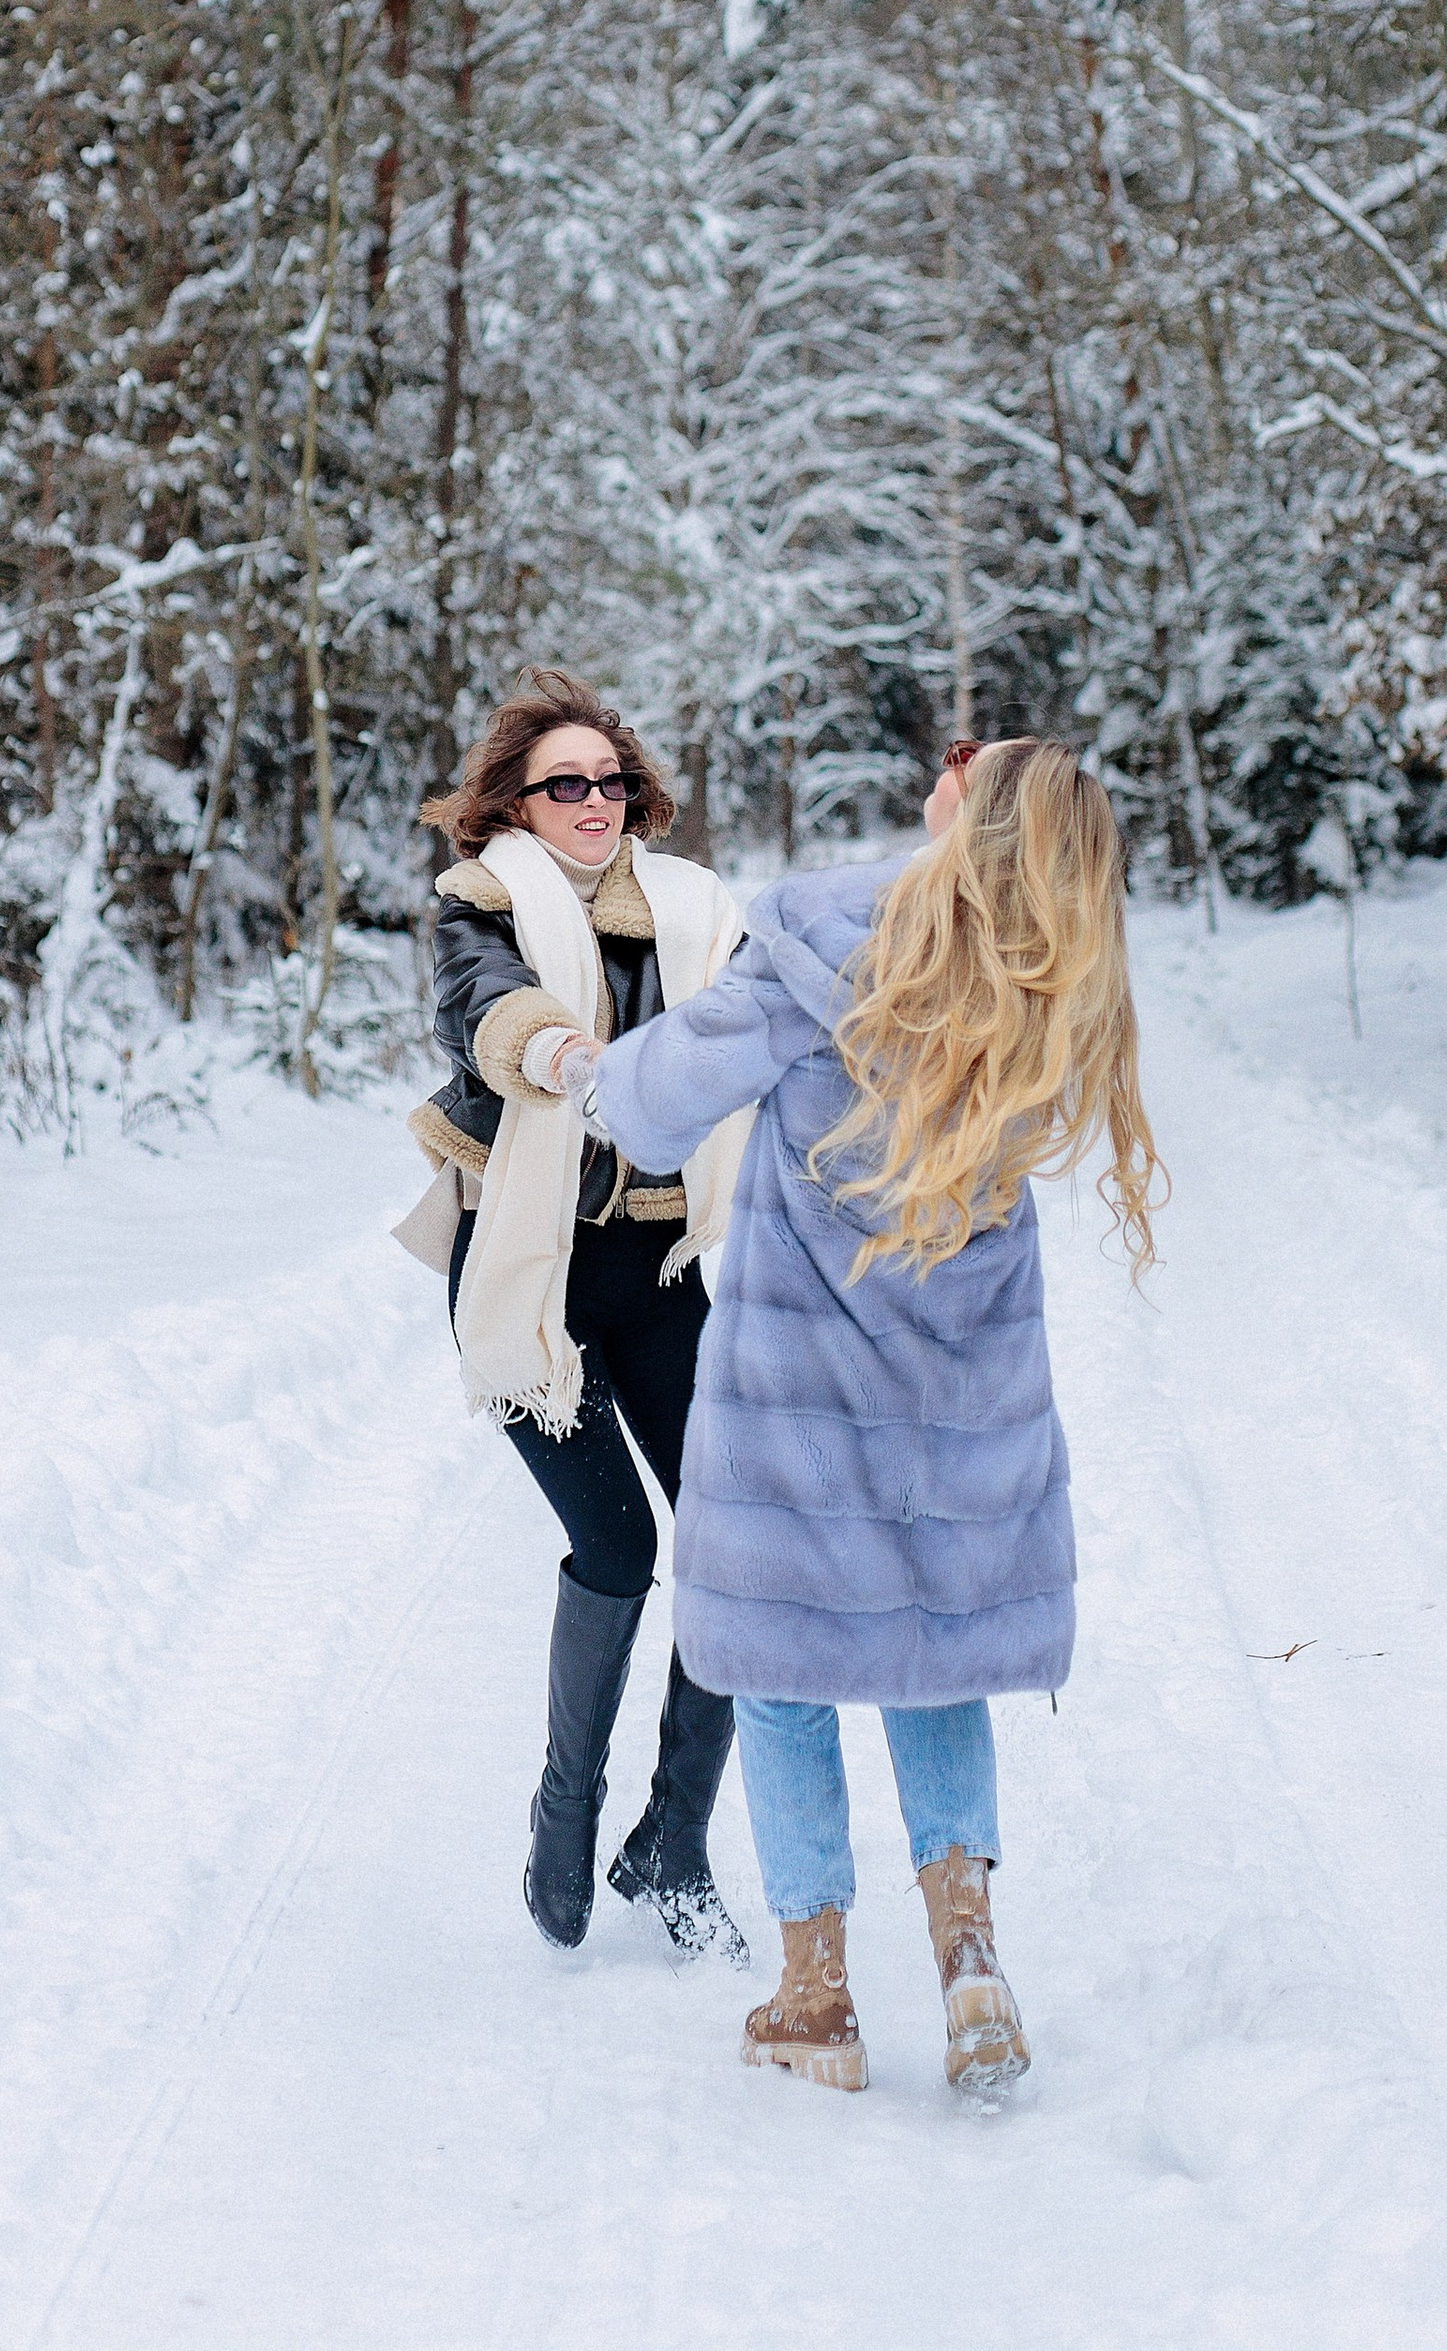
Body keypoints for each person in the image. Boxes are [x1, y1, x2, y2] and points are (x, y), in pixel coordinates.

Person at [593, 736, 1159, 2096]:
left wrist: (575, 1062)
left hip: (801, 1407)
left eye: (980, 758)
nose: (949, 758)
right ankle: (967, 1954)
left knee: (784, 1680)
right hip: (960, 1403)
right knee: (937, 1662)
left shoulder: (819, 945)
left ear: (976, 814)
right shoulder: (1047, 987)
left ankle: (815, 1998)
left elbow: (652, 1111)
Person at [395, 667, 754, 1964]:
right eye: (565, 784)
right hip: (526, 1268)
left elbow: (776, 1021)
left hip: (655, 1267)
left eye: (609, 781)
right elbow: (489, 1011)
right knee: (615, 1548)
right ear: (519, 801)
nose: (593, 802)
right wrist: (568, 1056)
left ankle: (672, 1845)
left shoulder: (700, 916)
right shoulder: (479, 904)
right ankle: (568, 1800)